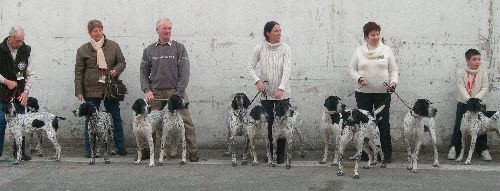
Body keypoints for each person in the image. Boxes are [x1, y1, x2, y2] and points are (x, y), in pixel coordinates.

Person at [140, 18, 199, 162]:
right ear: (157, 30)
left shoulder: (179, 48)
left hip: (175, 92)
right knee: (149, 123)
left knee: (186, 122)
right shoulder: (149, 50)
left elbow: (185, 72)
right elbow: (143, 72)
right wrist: (147, 90)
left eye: (170, 28)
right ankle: (147, 151)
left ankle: (193, 151)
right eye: (164, 28)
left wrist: (179, 93)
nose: (167, 31)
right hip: (155, 93)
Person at [75, 19, 127, 157]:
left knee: (115, 117)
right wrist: (79, 91)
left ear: (103, 30)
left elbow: (122, 62)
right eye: (95, 31)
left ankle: (120, 147)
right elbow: (79, 71)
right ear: (90, 33)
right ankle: (90, 149)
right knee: (90, 120)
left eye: (100, 30)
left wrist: (116, 70)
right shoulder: (82, 50)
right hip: (91, 89)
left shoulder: (113, 46)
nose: (98, 33)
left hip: (110, 88)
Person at [349, 21, 398, 163]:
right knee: (364, 125)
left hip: (382, 94)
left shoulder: (386, 50)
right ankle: (365, 154)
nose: (376, 37)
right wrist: (359, 78)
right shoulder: (359, 51)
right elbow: (351, 69)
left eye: (377, 34)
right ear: (366, 37)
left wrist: (393, 82)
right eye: (372, 35)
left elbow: (393, 69)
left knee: (383, 123)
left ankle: (386, 155)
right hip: (363, 93)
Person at [248, 21, 291, 164]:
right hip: (266, 93)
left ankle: (280, 154)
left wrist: (281, 88)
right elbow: (250, 66)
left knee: (281, 124)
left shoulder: (285, 48)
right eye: (276, 31)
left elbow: (287, 70)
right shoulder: (259, 48)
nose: (279, 33)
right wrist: (257, 81)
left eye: (280, 30)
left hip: (282, 93)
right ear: (268, 33)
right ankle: (270, 152)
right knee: (269, 122)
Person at [447, 49, 491, 161]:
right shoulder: (461, 72)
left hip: (479, 104)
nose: (478, 62)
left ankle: (482, 149)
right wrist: (469, 100)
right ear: (467, 60)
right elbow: (461, 87)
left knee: (481, 126)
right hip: (464, 103)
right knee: (459, 126)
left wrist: (476, 100)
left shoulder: (483, 73)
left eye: (479, 59)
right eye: (474, 59)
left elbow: (485, 87)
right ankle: (454, 148)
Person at [0, 25, 34, 160]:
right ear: (10, 38)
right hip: (2, 92)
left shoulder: (26, 50)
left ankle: (19, 152)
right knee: (0, 121)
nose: (21, 44)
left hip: (19, 92)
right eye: (18, 41)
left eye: (22, 40)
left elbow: (30, 73)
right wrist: (5, 81)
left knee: (21, 122)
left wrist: (26, 92)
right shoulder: (0, 49)